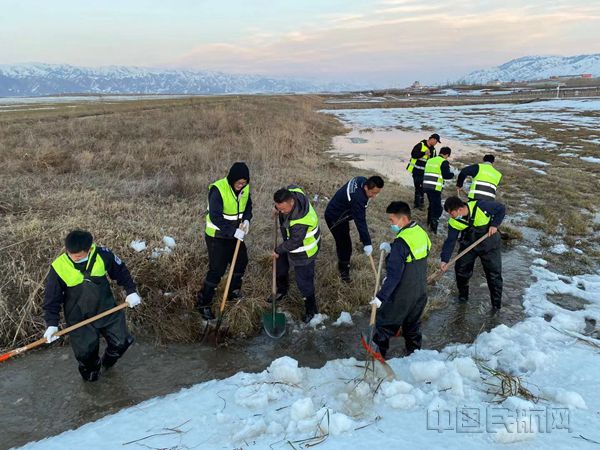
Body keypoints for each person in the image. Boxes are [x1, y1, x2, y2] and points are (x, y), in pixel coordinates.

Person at [42, 230, 141, 382]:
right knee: (86, 358)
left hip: (107, 310)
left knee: (121, 343)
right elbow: (51, 298)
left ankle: (106, 367)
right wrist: (51, 324)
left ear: (89, 249)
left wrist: (131, 291)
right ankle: (92, 385)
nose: (74, 258)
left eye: (79, 255)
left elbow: (121, 272)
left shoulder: (103, 255)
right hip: (79, 319)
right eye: (70, 254)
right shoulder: (58, 267)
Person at [370, 201, 431, 358]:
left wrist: (380, 297)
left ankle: (377, 358)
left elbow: (394, 276)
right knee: (412, 326)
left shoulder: (401, 242)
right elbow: (420, 252)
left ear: (403, 219)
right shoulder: (421, 232)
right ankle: (414, 355)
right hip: (420, 292)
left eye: (392, 220)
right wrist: (392, 249)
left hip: (402, 295)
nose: (391, 224)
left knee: (384, 323)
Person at [197, 162, 252, 321]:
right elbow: (215, 217)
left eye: (244, 182)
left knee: (241, 262)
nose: (241, 186)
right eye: (239, 183)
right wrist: (233, 231)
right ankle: (204, 303)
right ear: (232, 179)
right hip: (217, 236)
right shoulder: (218, 190)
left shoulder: (245, 189)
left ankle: (232, 291)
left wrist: (247, 220)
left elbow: (248, 205)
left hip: (236, 235)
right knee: (217, 270)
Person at [440, 196, 505, 309]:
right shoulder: (454, 221)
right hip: (469, 245)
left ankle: (496, 305)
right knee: (461, 270)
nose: (451, 216)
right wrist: (444, 260)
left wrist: (494, 225)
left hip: (489, 244)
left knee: (494, 275)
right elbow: (450, 241)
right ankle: (463, 298)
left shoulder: (481, 206)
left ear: (459, 209)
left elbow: (501, 208)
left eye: (451, 213)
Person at [272, 186, 321, 323]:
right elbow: (292, 186)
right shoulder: (295, 193)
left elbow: (295, 242)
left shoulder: (300, 221)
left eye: (283, 209)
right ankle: (282, 290)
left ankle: (311, 310)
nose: (280, 212)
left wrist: (277, 250)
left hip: (304, 252)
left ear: (292, 202)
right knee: (281, 268)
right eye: (278, 208)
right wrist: (277, 209)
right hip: (290, 243)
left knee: (304, 282)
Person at [324, 175, 384, 283]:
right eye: (373, 193)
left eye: (377, 193)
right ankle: (344, 274)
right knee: (345, 245)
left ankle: (343, 265)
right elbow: (360, 221)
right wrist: (367, 242)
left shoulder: (361, 179)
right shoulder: (358, 199)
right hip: (335, 217)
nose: (374, 196)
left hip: (338, 211)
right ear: (366, 187)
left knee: (344, 241)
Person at [423, 146, 454, 234]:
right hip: (435, 187)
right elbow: (446, 175)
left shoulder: (430, 160)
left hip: (426, 185)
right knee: (437, 208)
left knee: (432, 204)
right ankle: (433, 228)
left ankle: (429, 222)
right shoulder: (444, 162)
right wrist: (452, 174)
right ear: (447, 154)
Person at [407, 133, 440, 209]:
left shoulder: (433, 150)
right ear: (432, 139)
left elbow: (433, 161)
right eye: (436, 141)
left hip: (426, 173)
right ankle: (417, 205)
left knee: (423, 188)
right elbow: (413, 155)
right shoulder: (420, 145)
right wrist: (423, 153)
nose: (436, 143)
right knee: (418, 187)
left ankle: (421, 203)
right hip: (416, 171)